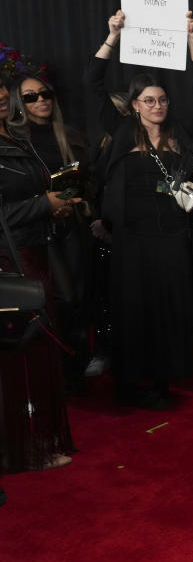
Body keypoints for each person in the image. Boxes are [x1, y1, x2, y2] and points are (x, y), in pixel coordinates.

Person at [83, 9, 193, 409]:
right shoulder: (122, 133)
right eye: (149, 100)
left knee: (169, 308)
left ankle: (162, 383)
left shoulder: (179, 132)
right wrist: (112, 35)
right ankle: (130, 383)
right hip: (131, 238)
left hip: (171, 235)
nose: (158, 105)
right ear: (134, 104)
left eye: (162, 99)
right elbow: (92, 83)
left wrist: (191, 41)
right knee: (133, 310)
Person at [0, 82, 78, 472]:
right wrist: (41, 204)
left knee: (41, 349)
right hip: (10, 262)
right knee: (21, 355)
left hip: (37, 252)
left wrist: (54, 207)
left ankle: (40, 441)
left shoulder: (17, 137)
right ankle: (21, 448)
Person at [7, 75, 92, 394]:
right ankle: (59, 371)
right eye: (30, 97)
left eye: (45, 94)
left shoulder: (66, 135)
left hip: (70, 224)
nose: (41, 100)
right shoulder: (17, 141)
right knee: (62, 298)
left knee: (79, 298)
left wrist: (68, 205)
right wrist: (50, 205)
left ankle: (76, 370)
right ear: (18, 103)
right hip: (38, 229)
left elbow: (74, 180)